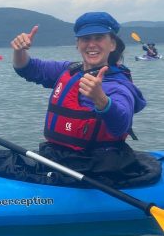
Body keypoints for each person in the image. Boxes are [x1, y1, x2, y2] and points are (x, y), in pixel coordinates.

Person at [10, 11, 161, 188]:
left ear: (112, 44)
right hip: (59, 159)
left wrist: (101, 101)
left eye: (99, 38)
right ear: (77, 44)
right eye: (85, 38)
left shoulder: (118, 84)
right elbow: (28, 68)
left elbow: (121, 123)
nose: (91, 44)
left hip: (97, 168)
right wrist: (19, 51)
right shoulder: (70, 70)